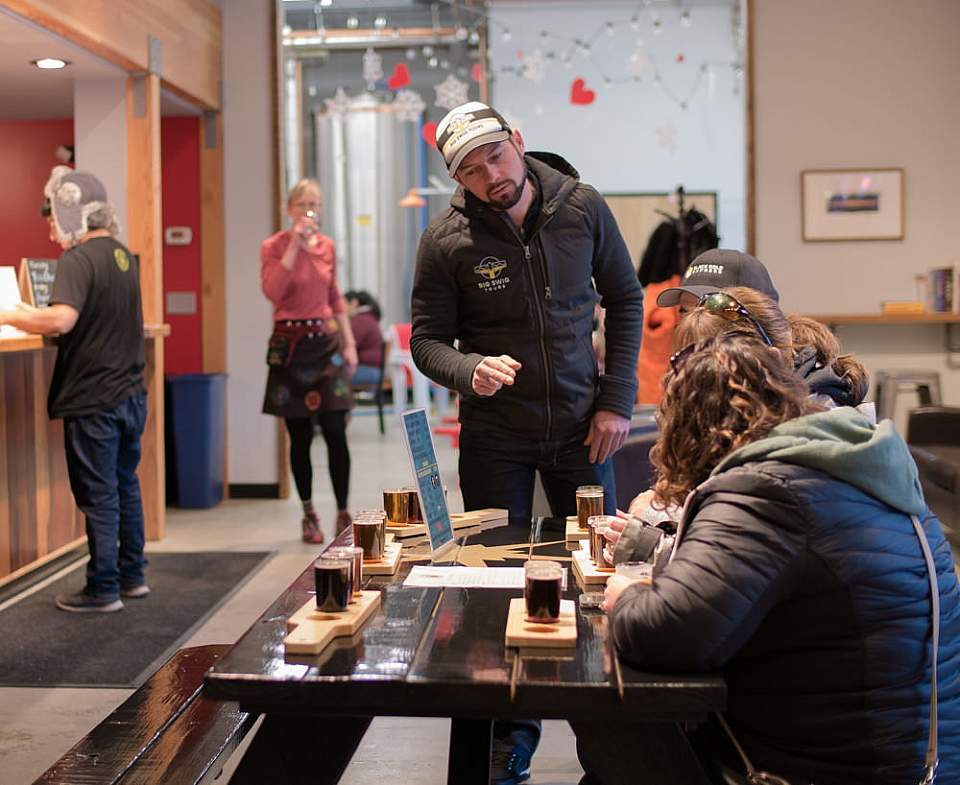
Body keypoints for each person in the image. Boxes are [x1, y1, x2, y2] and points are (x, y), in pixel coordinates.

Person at [589, 332, 960, 784]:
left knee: (613, 729)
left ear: (695, 429)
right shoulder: (855, 465)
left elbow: (669, 634)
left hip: (825, 770)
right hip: (920, 762)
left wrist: (626, 595)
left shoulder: (766, 489)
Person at [410, 101, 643, 785]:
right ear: (458, 177)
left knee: (600, 584)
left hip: (584, 432)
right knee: (494, 596)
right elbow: (427, 340)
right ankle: (502, 747)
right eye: (470, 169)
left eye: (495, 156)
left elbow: (626, 298)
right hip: (495, 440)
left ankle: (610, 748)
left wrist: (616, 401)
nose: (490, 175)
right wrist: (467, 370)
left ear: (517, 141)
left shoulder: (582, 207)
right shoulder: (446, 240)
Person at [0, 166, 148, 613]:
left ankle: (102, 589)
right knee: (125, 486)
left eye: (53, 214)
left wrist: (10, 314)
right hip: (129, 394)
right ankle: (133, 576)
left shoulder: (78, 259)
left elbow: (62, 319)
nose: (50, 225)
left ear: (73, 211)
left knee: (99, 493)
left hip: (94, 398)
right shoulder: (121, 255)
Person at [261, 178, 358, 544]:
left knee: (335, 429)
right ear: (290, 208)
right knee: (299, 436)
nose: (309, 210)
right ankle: (308, 513)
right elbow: (274, 290)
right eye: (302, 204)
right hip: (289, 344)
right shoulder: (274, 246)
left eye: (314, 203)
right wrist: (295, 246)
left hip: (324, 342)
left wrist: (349, 344)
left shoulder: (328, 247)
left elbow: (334, 297)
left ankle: (343, 511)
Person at [344, 290, 384, 387]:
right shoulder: (368, 318)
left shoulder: (360, 320)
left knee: (332, 379)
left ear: (354, 303)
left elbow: (346, 347)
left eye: (343, 304)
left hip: (366, 371)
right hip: (373, 370)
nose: (342, 309)